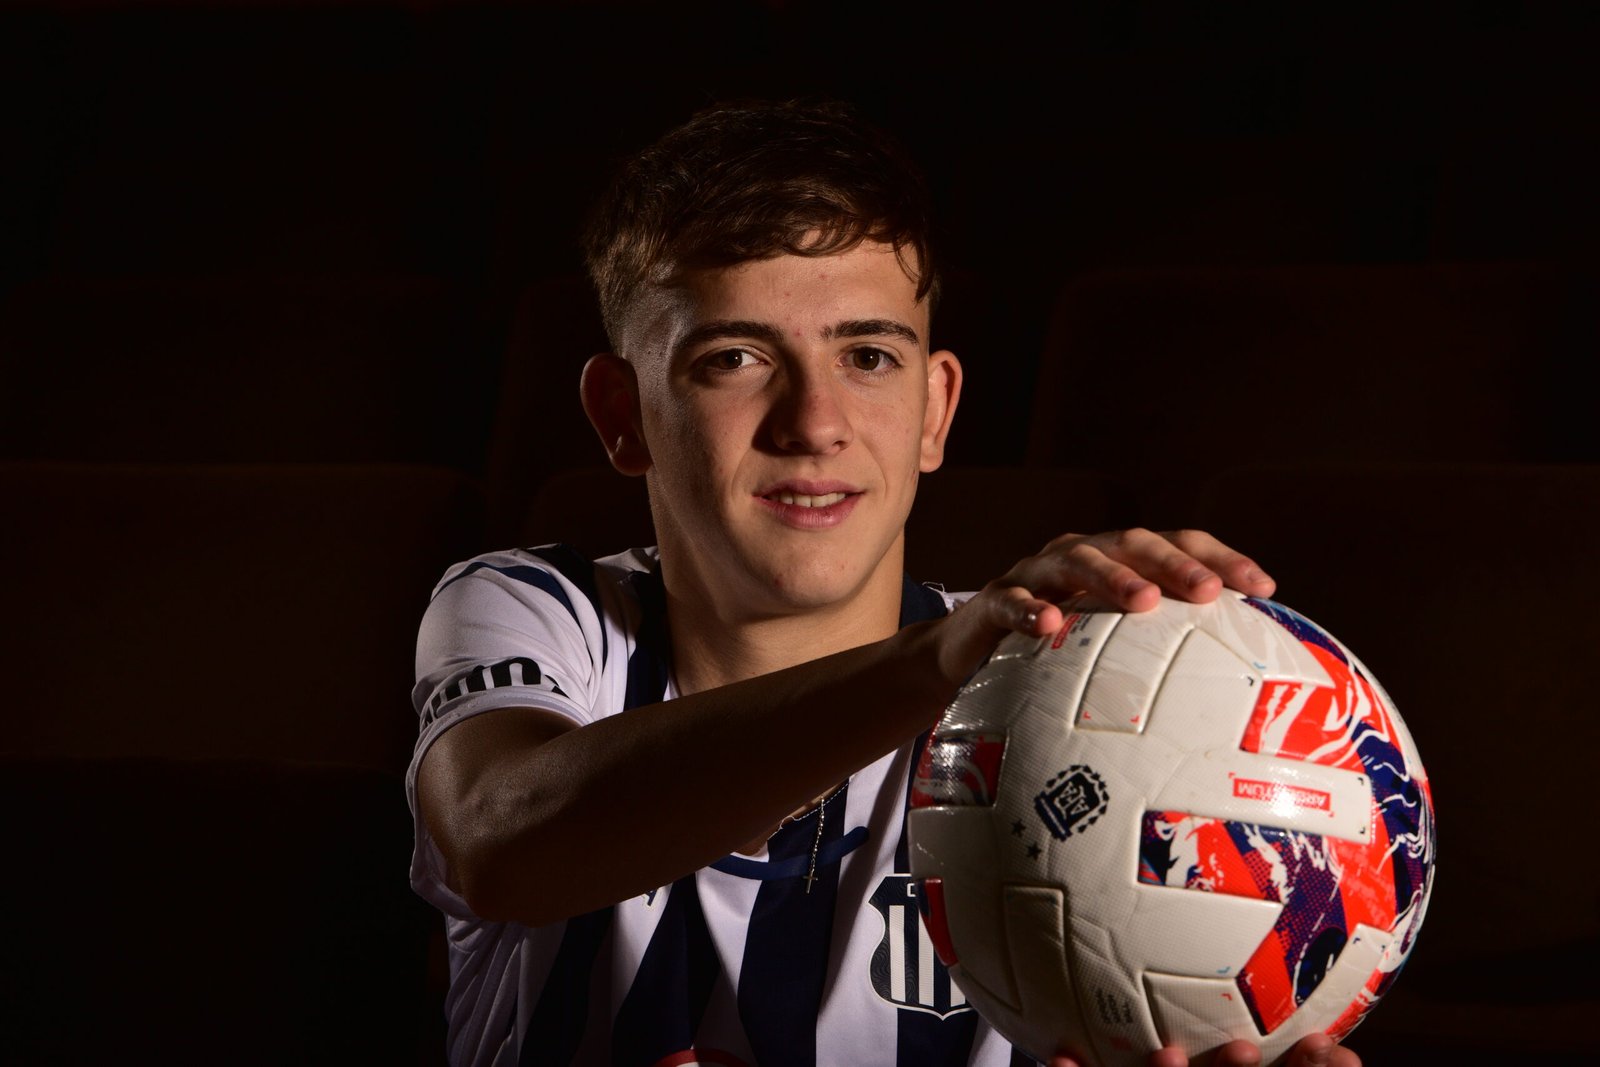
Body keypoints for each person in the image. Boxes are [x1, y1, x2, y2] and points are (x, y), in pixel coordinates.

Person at [408, 99, 1360, 1067]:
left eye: (867, 356)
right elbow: (500, 840)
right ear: (624, 414)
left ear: (934, 408)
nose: (814, 422)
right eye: (734, 358)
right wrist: (928, 667)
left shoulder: (1060, 687)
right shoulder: (539, 610)